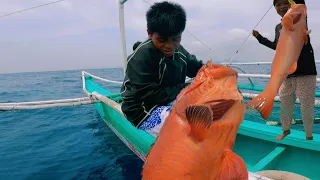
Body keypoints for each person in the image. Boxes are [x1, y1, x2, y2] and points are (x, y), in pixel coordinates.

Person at [120, 1, 204, 137]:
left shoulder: (179, 51)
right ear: (149, 33)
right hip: (142, 109)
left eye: (175, 39)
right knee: (188, 128)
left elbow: (197, 68)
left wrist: (214, 73)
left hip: (169, 100)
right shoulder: (141, 57)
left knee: (207, 108)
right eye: (162, 40)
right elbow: (149, 96)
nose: (169, 46)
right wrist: (187, 88)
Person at [252, 0, 317, 140]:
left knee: (307, 105)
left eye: (285, 3)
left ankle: (309, 135)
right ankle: (286, 130)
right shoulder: (279, 27)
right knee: (285, 103)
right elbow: (277, 46)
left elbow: (300, 3)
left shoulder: (299, 17)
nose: (282, 7)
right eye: (278, 4)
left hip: (306, 71)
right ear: (275, 8)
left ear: (292, 4)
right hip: (286, 73)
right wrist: (260, 38)